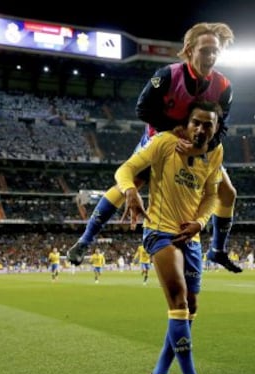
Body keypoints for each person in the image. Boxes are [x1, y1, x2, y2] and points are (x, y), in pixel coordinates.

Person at [67, 22, 242, 274]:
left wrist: (200, 148)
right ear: (190, 50)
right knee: (128, 186)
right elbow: (143, 108)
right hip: (160, 139)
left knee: (228, 193)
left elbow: (221, 126)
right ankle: (85, 240)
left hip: (197, 145)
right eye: (205, 51)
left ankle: (217, 250)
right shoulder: (168, 75)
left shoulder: (224, 86)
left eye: (215, 51)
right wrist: (175, 133)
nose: (211, 57)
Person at [115, 100, 226, 374]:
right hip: (160, 231)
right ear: (186, 123)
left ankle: (159, 373)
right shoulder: (163, 143)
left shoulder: (215, 153)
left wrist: (200, 223)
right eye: (196, 122)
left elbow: (212, 195)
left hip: (190, 238)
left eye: (208, 124)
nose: (201, 129)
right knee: (177, 301)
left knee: (190, 308)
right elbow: (125, 170)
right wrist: (131, 192)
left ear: (216, 128)